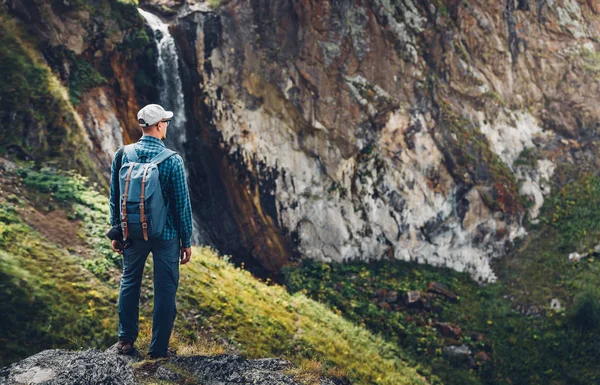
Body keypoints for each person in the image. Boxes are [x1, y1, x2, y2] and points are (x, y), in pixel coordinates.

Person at [108, 103, 193, 358]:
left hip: (132, 232)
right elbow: (181, 204)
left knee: (129, 282)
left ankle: (125, 341)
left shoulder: (122, 154)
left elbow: (115, 195)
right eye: (165, 121)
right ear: (159, 126)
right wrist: (186, 240)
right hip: (165, 237)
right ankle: (157, 349)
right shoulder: (172, 161)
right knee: (165, 290)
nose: (166, 125)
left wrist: (118, 231)